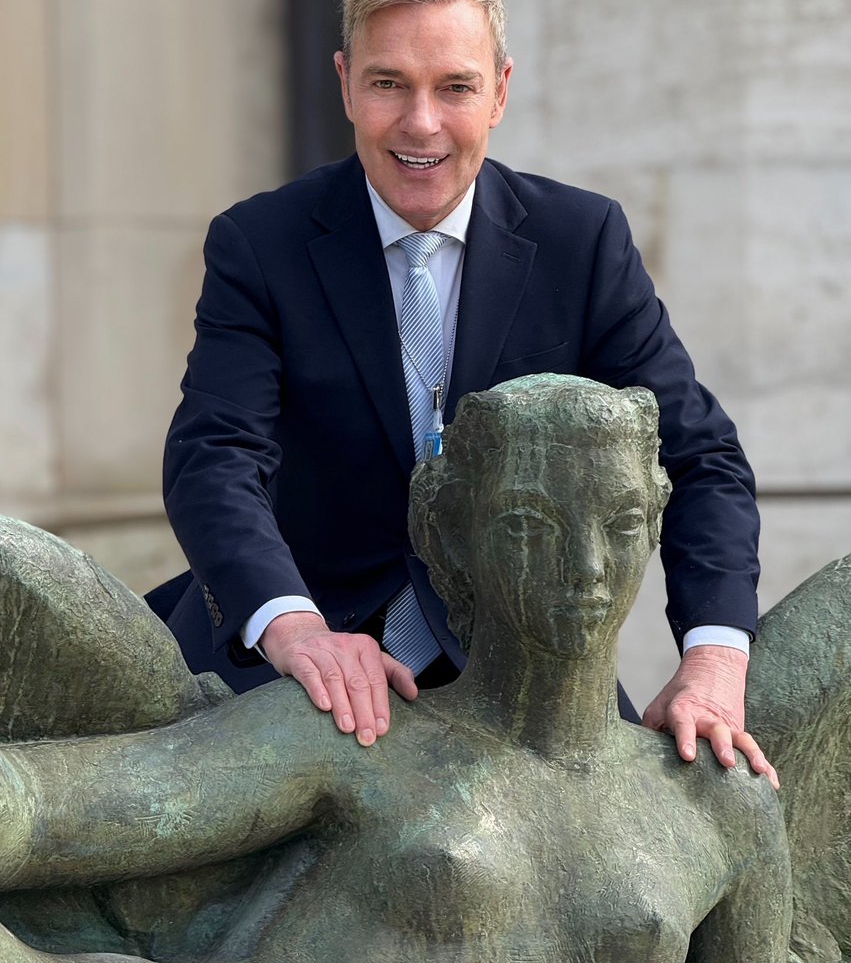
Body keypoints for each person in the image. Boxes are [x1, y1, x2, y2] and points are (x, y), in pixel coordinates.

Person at [158, 0, 774, 784]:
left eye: (453, 86)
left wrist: (712, 662)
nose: (420, 123)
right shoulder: (259, 245)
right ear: (345, 85)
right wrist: (295, 630)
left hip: (518, 670)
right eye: (387, 84)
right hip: (296, 655)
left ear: (500, 92)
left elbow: (700, 460)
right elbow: (214, 457)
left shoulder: (581, 243)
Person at [0, 378, 793, 962]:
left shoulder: (718, 800)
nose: (585, 567)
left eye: (620, 524)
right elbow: (45, 811)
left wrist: (717, 655)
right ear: (450, 537)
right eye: (527, 527)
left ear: (655, 526)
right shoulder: (349, 737)